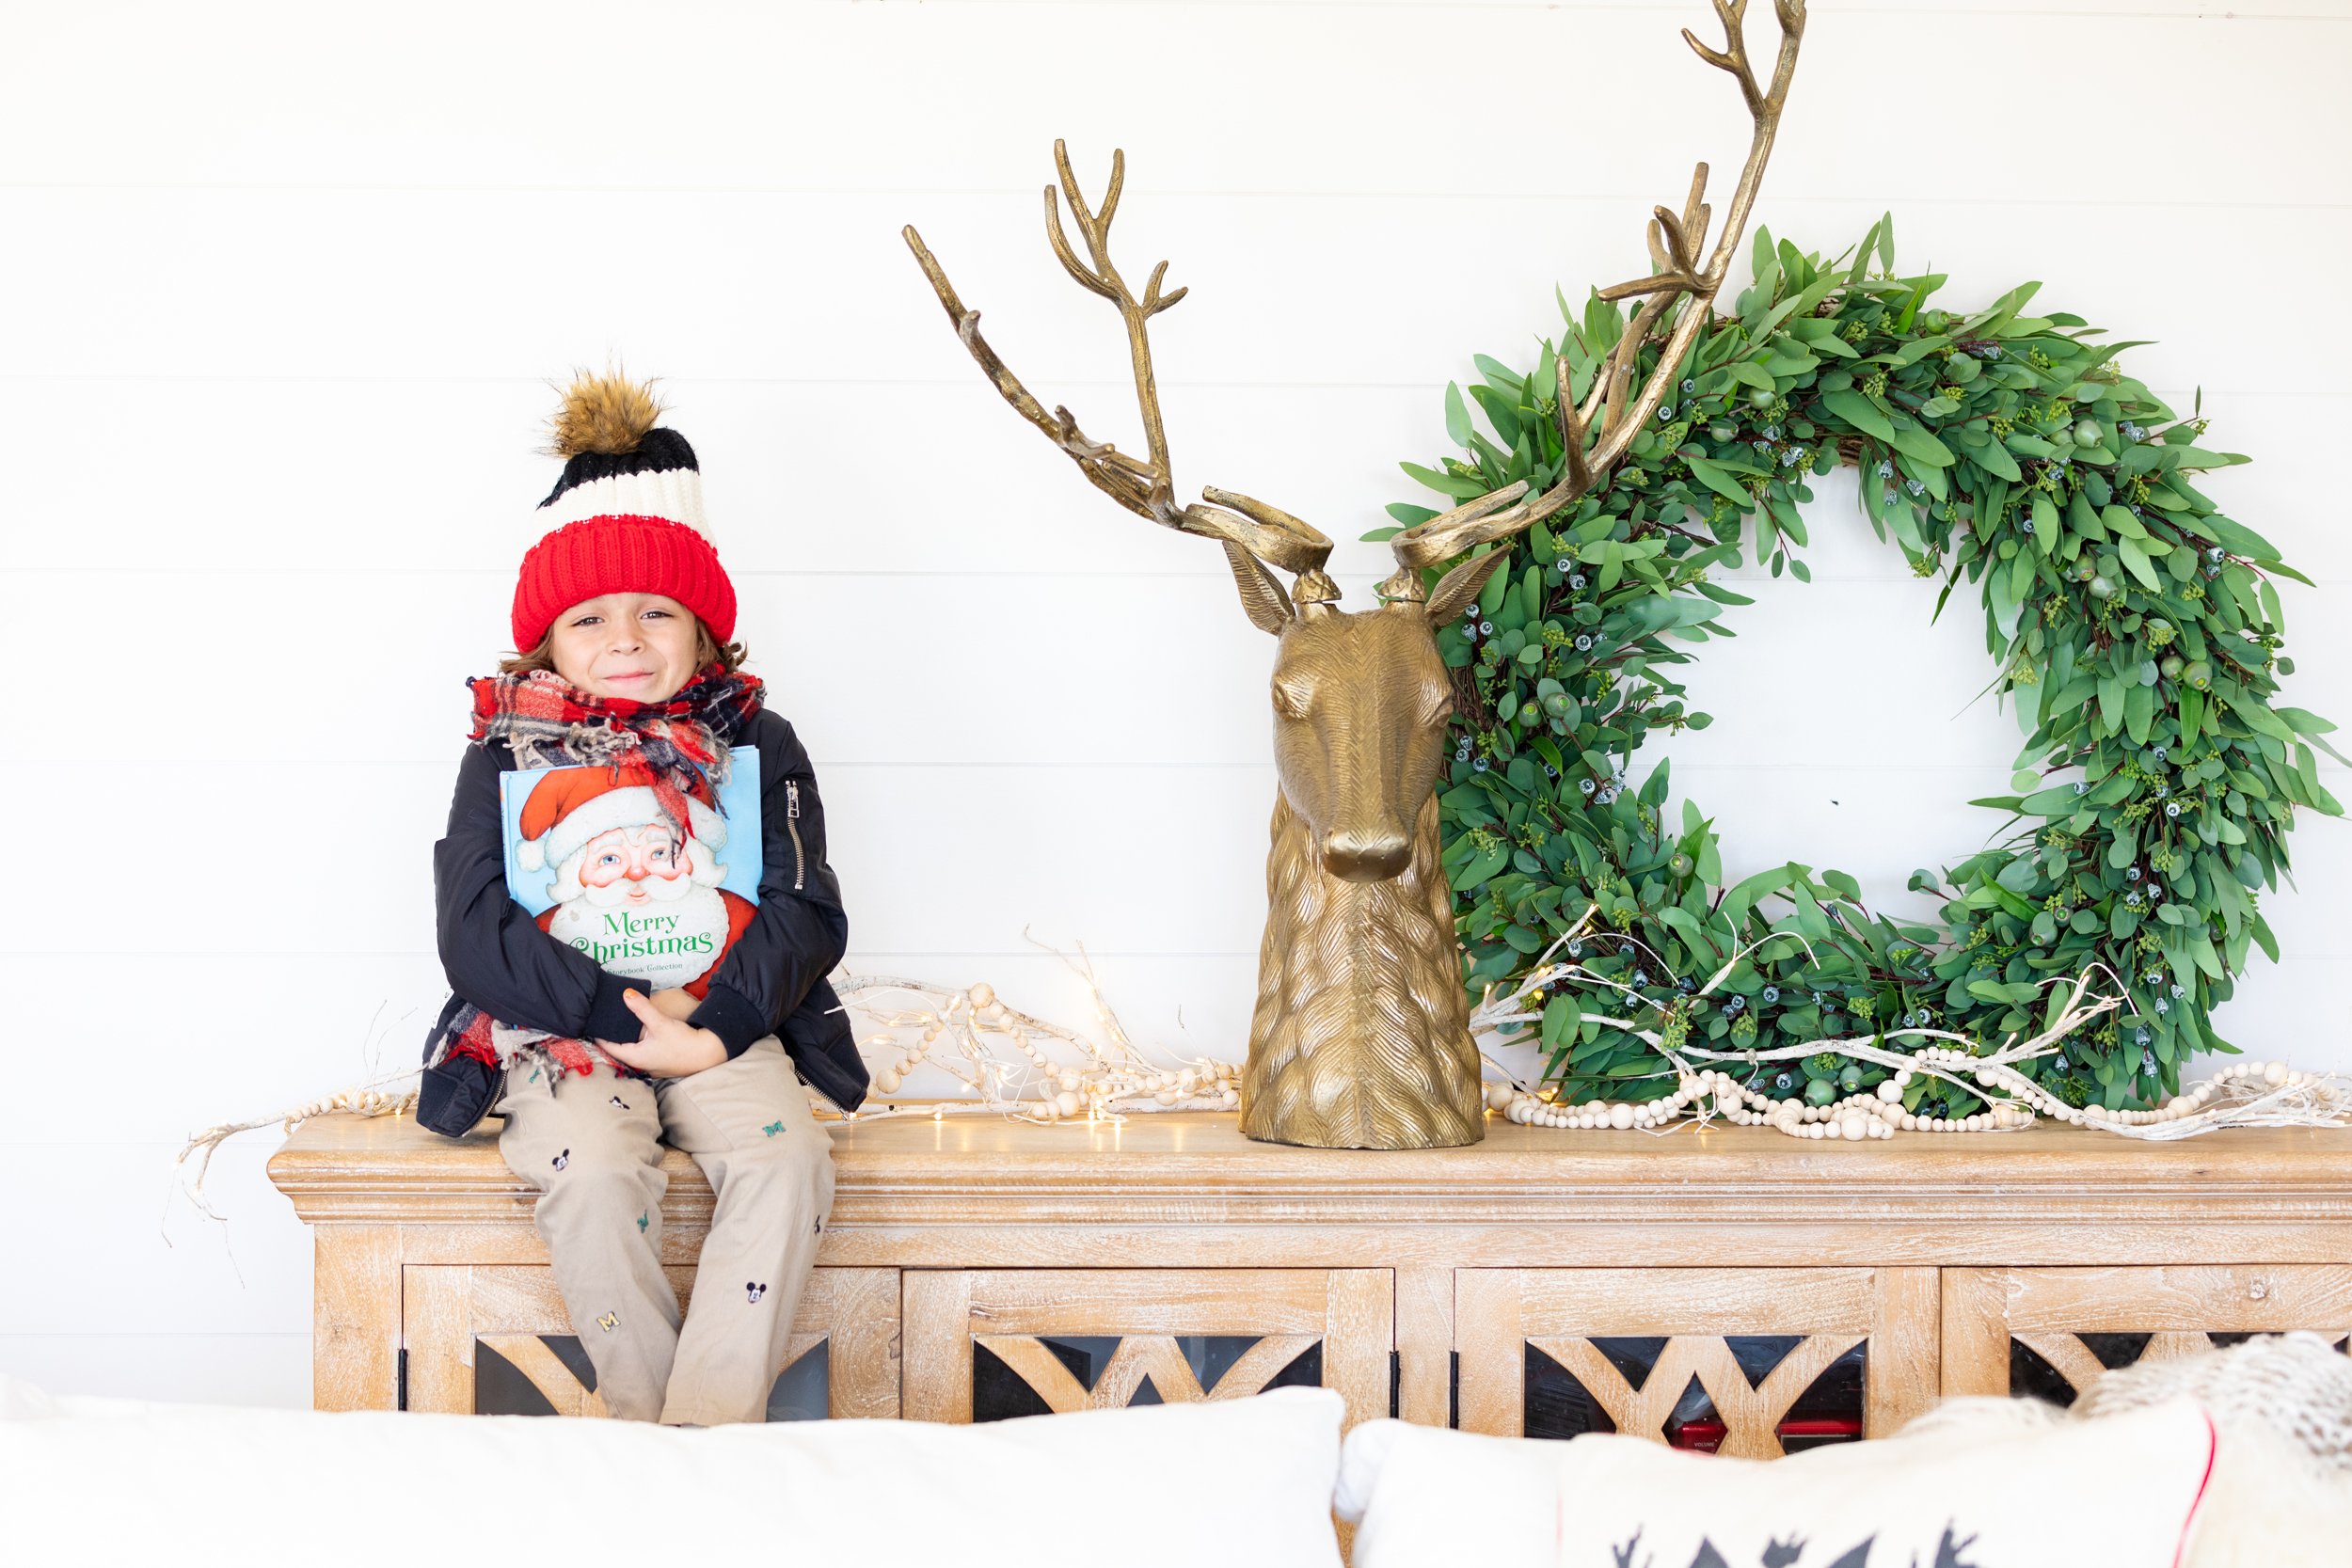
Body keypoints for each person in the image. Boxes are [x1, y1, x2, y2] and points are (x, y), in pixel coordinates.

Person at [414, 371, 867, 1425]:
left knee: (787, 1158)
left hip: (723, 1023)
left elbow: (806, 909)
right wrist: (616, 1016)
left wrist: (709, 1034)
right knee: (588, 1169)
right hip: (566, 1030)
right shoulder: (505, 753)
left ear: (704, 631)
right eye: (590, 617)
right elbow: (471, 927)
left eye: (657, 610)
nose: (625, 636)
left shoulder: (758, 744)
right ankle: (655, 1436)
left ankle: (698, 1438)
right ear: (548, 644)